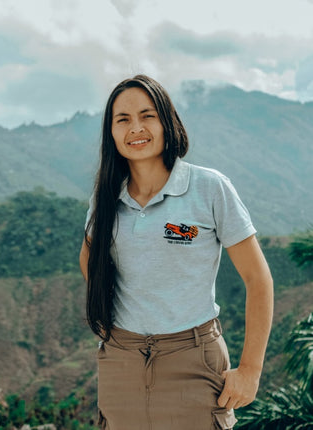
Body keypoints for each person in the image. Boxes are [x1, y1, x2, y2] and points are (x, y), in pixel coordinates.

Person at [79, 74, 273, 430]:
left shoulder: (209, 187)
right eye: (122, 120)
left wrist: (250, 370)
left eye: (147, 115)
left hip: (193, 360)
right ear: (111, 133)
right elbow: (89, 257)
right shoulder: (105, 197)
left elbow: (257, 278)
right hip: (121, 362)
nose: (135, 128)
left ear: (168, 122)